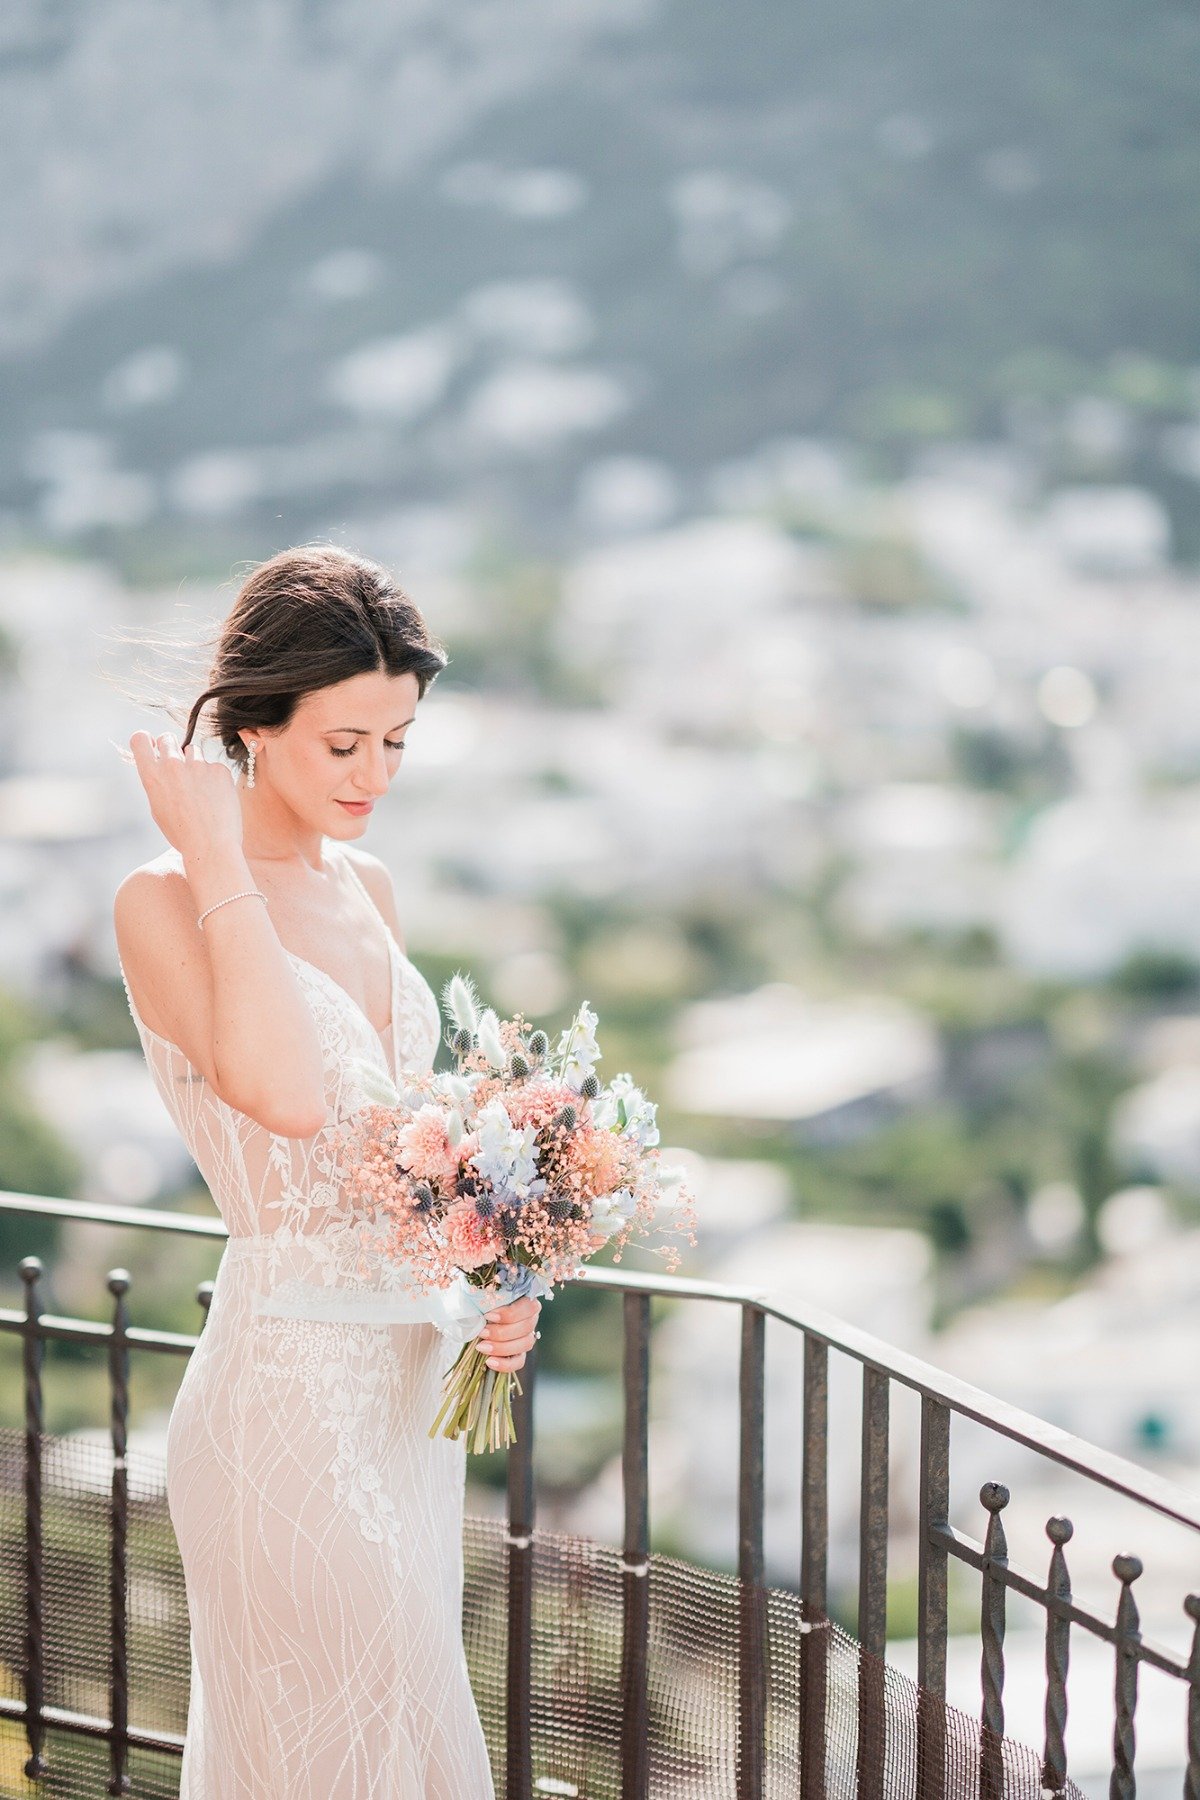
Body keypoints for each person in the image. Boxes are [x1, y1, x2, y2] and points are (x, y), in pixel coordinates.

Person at [112, 545, 538, 1798]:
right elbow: (287, 1099)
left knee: (399, 1750)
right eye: (343, 743)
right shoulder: (164, 896)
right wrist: (221, 859)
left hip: (409, 1406)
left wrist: (491, 1282)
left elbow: (397, 1153)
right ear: (253, 723)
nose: (375, 777)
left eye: (397, 743)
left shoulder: (373, 889)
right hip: (283, 1404)